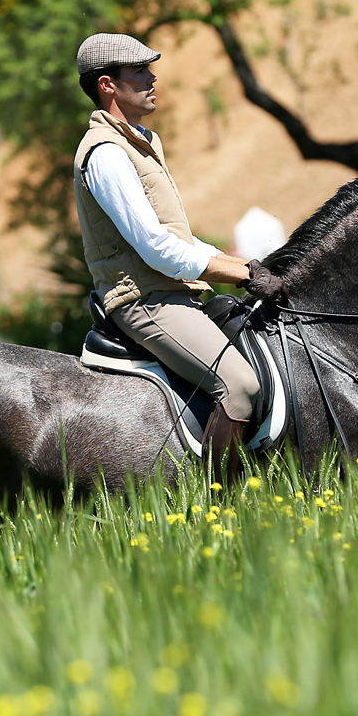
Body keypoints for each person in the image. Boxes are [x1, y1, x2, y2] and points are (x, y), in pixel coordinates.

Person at [72, 33, 285, 477]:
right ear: (108, 85)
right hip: (145, 301)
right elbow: (157, 249)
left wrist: (247, 266)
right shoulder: (107, 153)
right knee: (240, 386)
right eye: (139, 72)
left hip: (172, 294)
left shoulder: (140, 142)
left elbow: (180, 239)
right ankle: (218, 501)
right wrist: (240, 275)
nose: (152, 78)